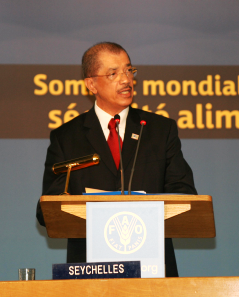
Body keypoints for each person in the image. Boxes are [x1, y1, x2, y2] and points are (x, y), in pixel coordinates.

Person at [36, 42, 197, 277]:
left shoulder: (160, 130)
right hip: (89, 271)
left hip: (152, 270)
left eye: (129, 71)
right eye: (113, 73)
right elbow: (46, 211)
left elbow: (184, 195)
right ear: (91, 84)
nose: (125, 80)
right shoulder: (66, 137)